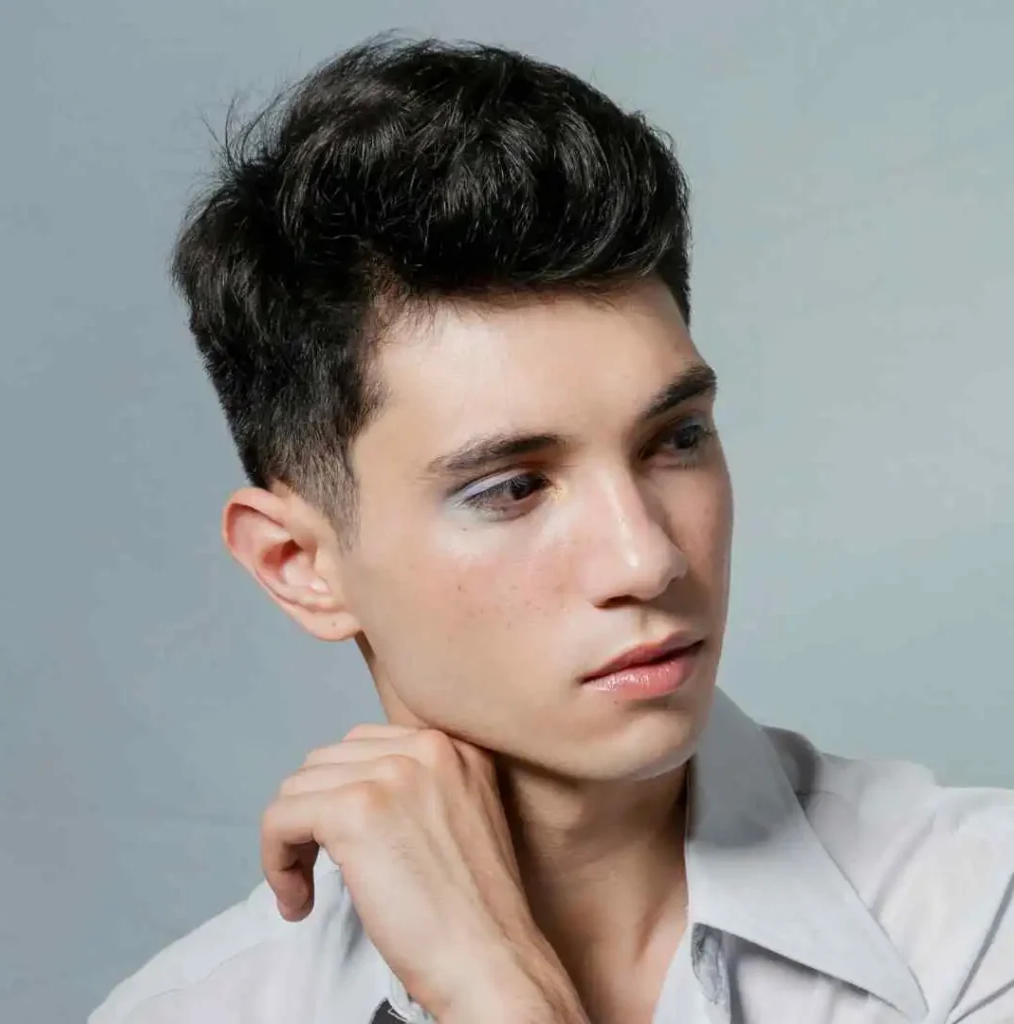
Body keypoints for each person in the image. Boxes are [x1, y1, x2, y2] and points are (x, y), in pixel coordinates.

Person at [89, 35, 1014, 1024]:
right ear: (299, 563)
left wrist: (503, 999)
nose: (647, 557)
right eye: (513, 487)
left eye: (676, 438)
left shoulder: (973, 913)